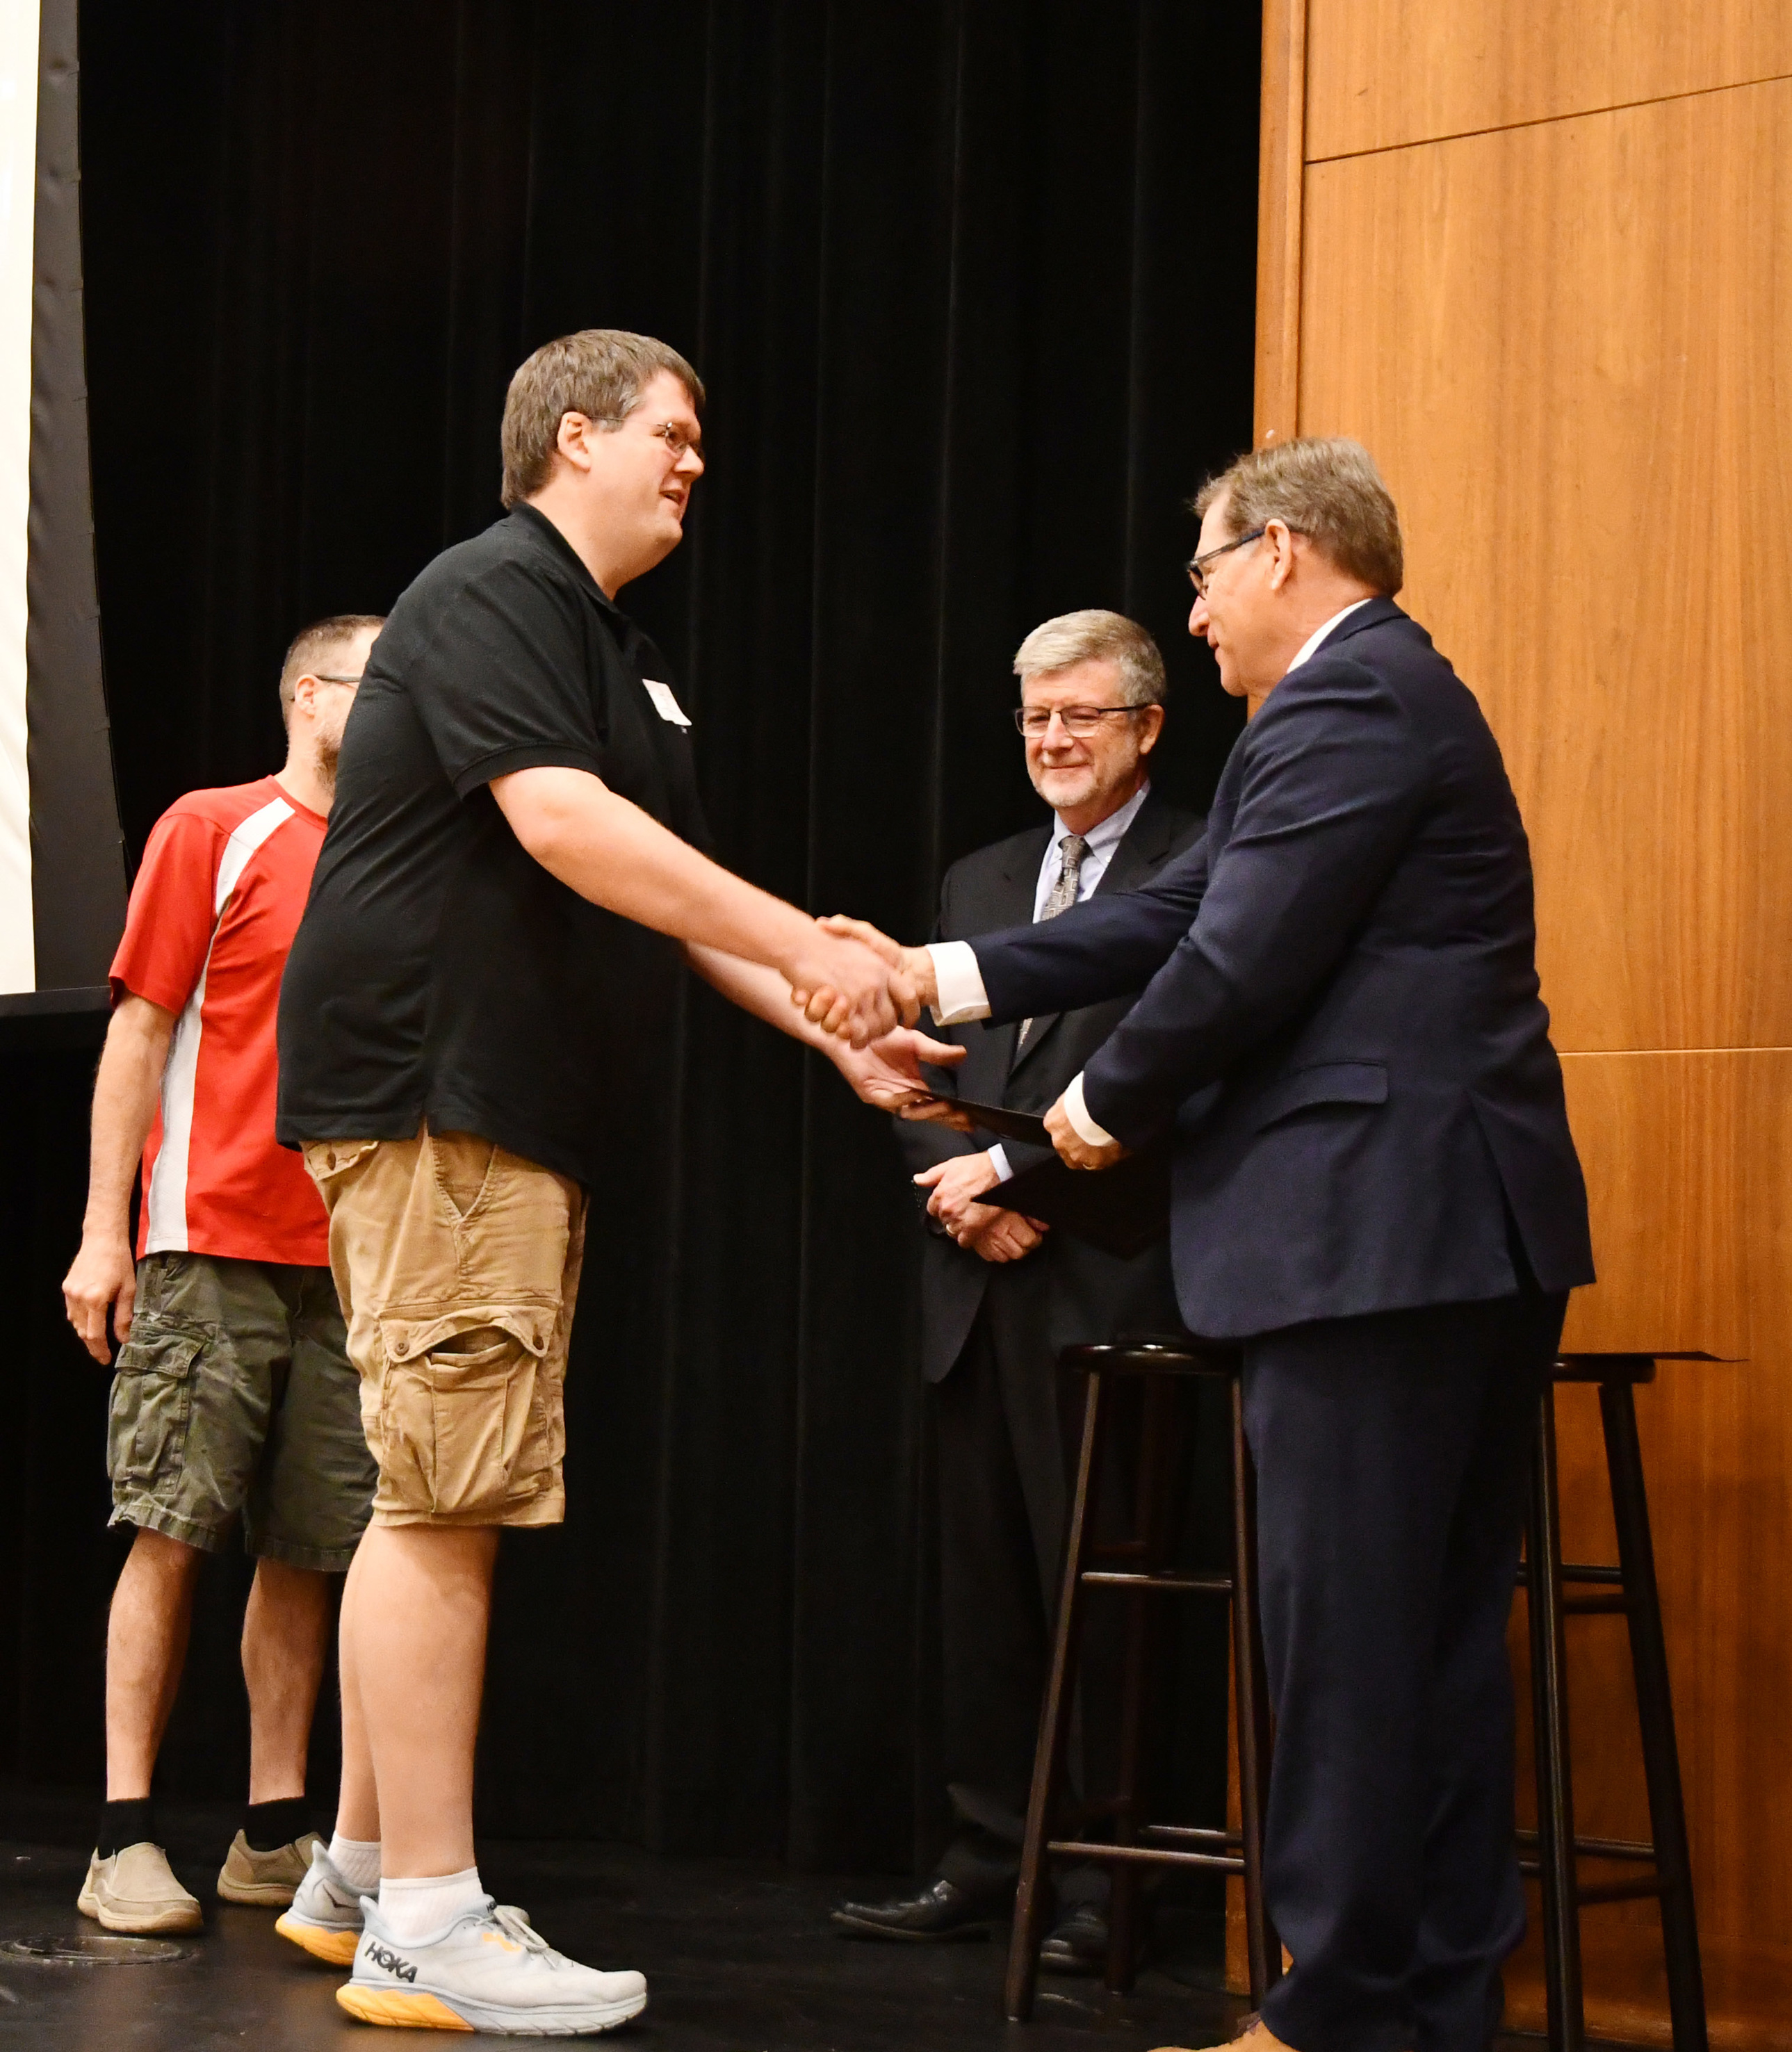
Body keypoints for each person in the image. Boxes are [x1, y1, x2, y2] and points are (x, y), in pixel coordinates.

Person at [817, 438, 1595, 2052]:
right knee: (1418, 1642)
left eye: (1201, 571)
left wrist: (1075, 1120)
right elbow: (1175, 915)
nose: (1193, 609)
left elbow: (1235, 959)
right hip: (1428, 1237)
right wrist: (939, 974)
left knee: (1350, 1640)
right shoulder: (1345, 704)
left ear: (1282, 550)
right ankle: (1418, 2006)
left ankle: (1331, 2014)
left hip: (1378, 1235)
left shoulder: (1346, 698)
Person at [270, 328, 943, 2036]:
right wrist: (819, 950)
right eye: (672, 431)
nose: (695, 462)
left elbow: (662, 886)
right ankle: (426, 1920)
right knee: (447, 1495)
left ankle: (357, 1870)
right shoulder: (495, 588)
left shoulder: (613, 648)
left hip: (508, 1109)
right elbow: (567, 831)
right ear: (574, 436)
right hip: (440, 1090)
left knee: (435, 1482)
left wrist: (831, 1031)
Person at [830, 610, 1201, 1969]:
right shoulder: (977, 875)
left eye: (1079, 716)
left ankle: (1108, 1883)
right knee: (982, 1594)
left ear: (1145, 727)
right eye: (1034, 717)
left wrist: (1022, 1179)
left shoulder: (1197, 864)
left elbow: (1185, 1061)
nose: (1051, 740)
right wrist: (959, 1193)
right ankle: (989, 1857)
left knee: (1099, 1596)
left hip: (1109, 1279)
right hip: (970, 1278)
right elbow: (916, 1064)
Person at [60, 614, 386, 1936]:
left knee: (310, 1548)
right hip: (208, 1241)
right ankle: (122, 1835)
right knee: (170, 1527)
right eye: (377, 682)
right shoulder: (215, 826)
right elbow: (140, 1031)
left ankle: (271, 1829)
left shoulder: (393, 852)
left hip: (352, 1259)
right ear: (309, 695)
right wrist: (107, 1232)